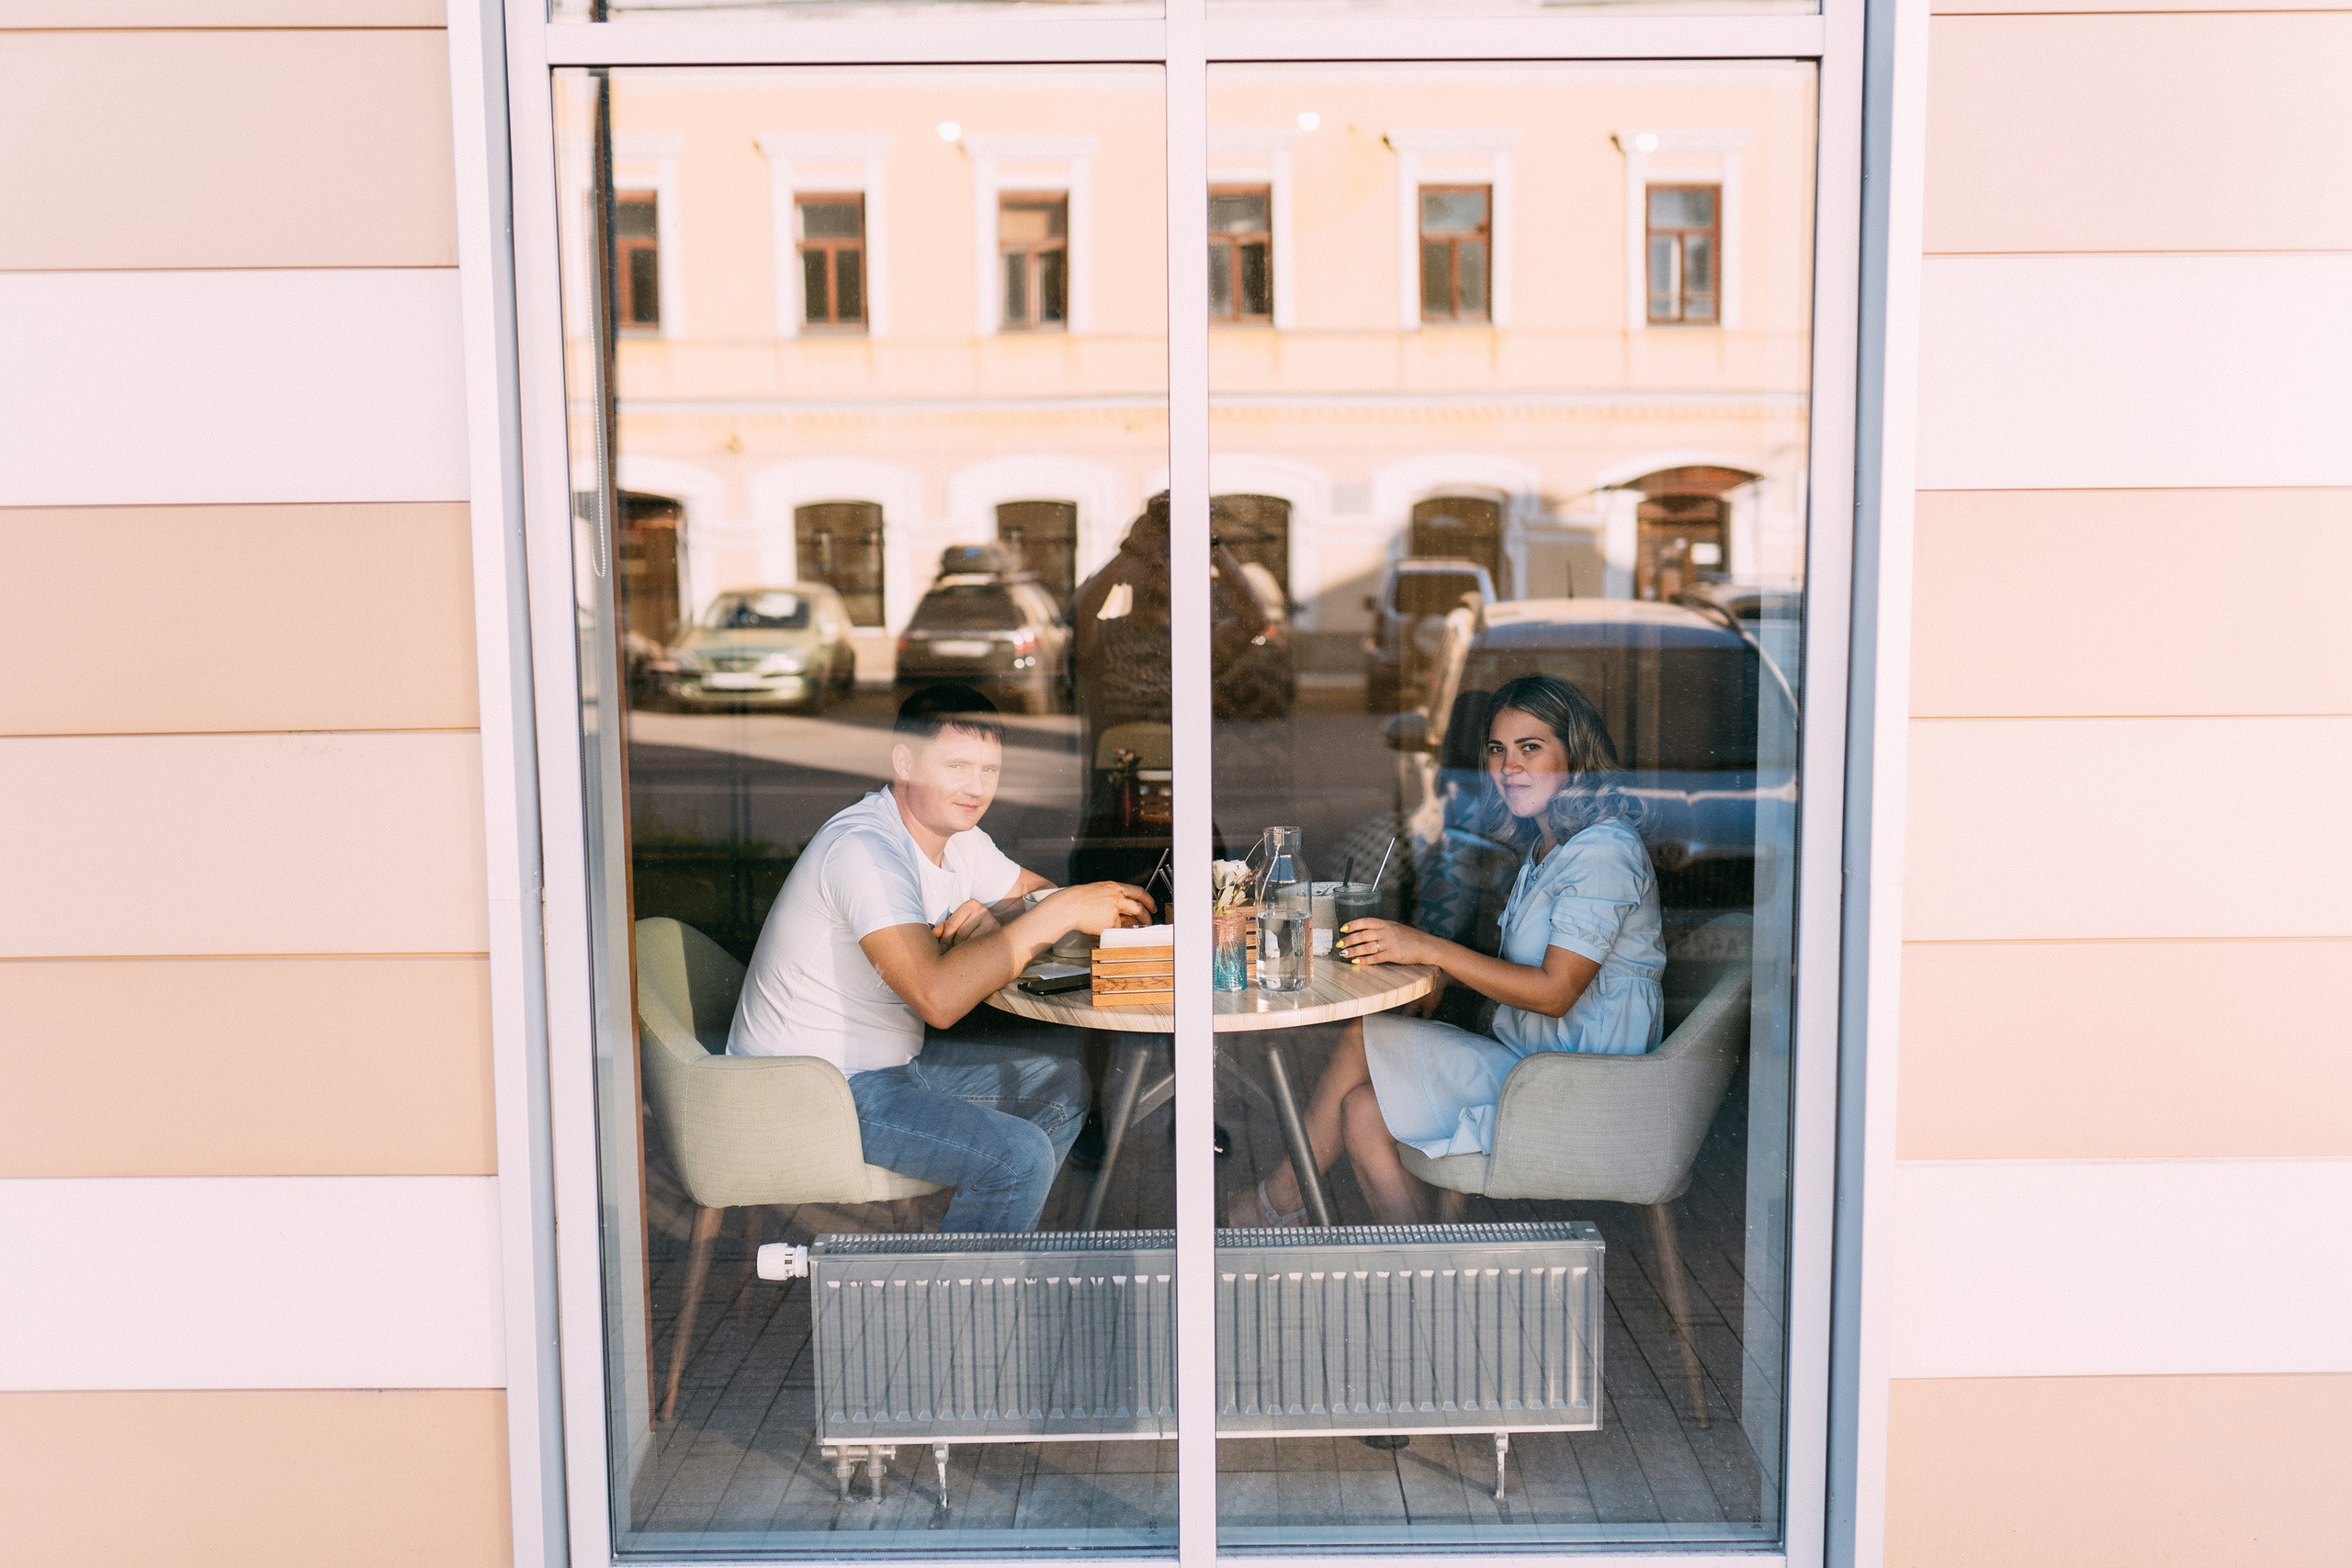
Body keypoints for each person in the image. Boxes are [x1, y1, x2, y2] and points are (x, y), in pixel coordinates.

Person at [1226, 673, 1666, 1227]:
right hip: (1534, 1064)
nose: (1509, 767)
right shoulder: (1552, 846)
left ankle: (1272, 1205)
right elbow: (1530, 972)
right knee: (1362, 1111)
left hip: (1582, 1084)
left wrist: (1429, 949)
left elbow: (1555, 993)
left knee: (1362, 1036)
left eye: (1530, 748)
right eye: (1497, 750)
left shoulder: (1603, 851)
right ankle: (1425, 1266)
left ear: (1574, 755)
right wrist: (1436, 971)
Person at [729, 683, 1156, 1231]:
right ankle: (958, 1281)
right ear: (904, 762)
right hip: (805, 1089)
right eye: (957, 766)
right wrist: (1057, 912)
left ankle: (971, 1249)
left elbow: (1033, 896)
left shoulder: (957, 840)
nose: (976, 788)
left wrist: (1015, 920)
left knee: (1061, 1088)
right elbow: (939, 999)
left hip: (885, 1071)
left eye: (989, 770)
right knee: (1018, 1158)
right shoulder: (865, 850)